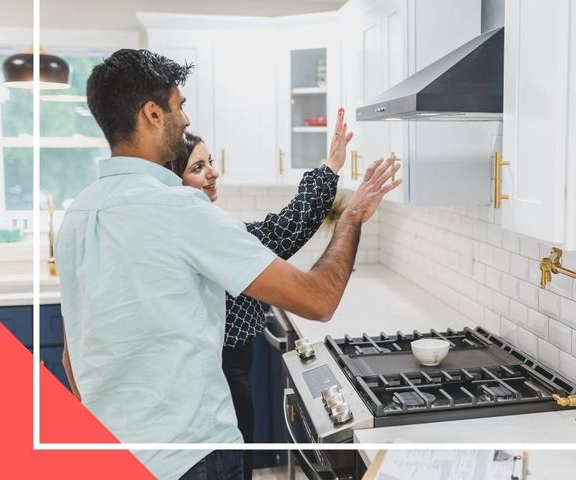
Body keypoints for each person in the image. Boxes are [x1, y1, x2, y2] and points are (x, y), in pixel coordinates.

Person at [56, 48, 400, 480]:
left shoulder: (75, 216)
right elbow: (320, 299)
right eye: (178, 106)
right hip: (192, 458)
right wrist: (350, 216)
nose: (184, 120)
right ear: (152, 114)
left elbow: (73, 359)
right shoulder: (180, 210)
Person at [167, 108, 351, 480]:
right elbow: (287, 228)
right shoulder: (204, 233)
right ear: (175, 182)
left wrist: (330, 166)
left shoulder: (192, 229)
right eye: (197, 168)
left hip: (219, 376)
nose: (212, 172)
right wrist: (331, 168)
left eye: (211, 162)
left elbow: (281, 230)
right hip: (223, 377)